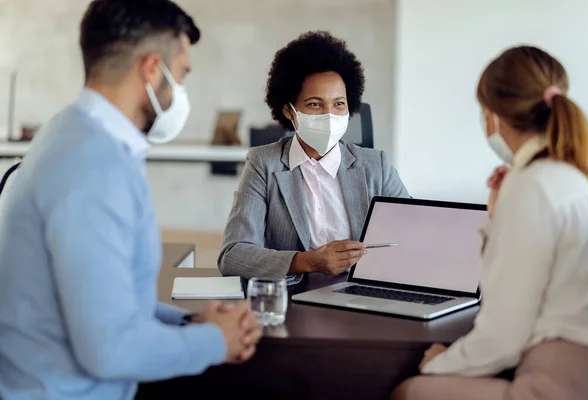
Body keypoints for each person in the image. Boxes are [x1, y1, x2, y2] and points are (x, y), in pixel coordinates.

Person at [0, 1, 261, 400]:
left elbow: (107, 300)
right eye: (182, 75)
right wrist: (214, 342)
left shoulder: (67, 135)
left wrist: (191, 323)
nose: (181, 93)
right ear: (152, 68)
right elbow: (110, 349)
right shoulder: (93, 166)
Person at [392, 46, 588, 400]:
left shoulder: (531, 184)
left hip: (560, 379)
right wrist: (499, 216)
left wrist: (442, 362)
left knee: (408, 390)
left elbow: (503, 337)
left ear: (492, 116)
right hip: (583, 371)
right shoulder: (572, 176)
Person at [218, 31, 410, 281]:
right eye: (315, 104)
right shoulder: (263, 164)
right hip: (296, 296)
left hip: (362, 292)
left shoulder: (377, 166)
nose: (329, 115)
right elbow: (233, 255)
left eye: (339, 104)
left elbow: (411, 239)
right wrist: (308, 261)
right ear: (289, 110)